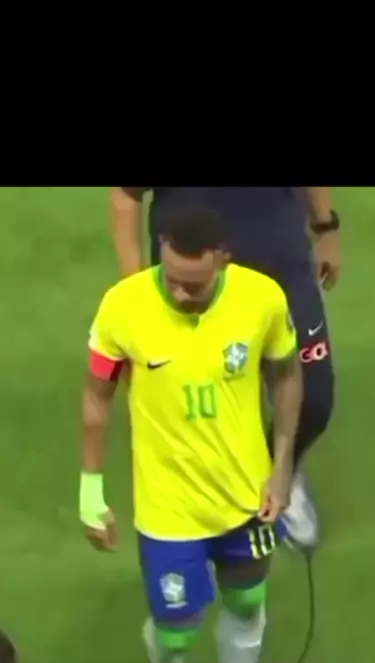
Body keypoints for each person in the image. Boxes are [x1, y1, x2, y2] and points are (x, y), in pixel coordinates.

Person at [81, 204, 303, 663]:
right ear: (161, 248)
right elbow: (97, 398)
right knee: (176, 636)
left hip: (246, 496)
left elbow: (286, 377)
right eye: (173, 280)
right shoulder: (123, 307)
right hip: (169, 510)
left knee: (247, 603)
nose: (180, 294)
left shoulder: (262, 299)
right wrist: (90, 490)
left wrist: (282, 469)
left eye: (194, 285)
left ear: (222, 258)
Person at [109, 186, 340, 551]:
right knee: (202, 403)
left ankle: (281, 473)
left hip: (283, 264)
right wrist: (137, 295)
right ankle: (211, 513)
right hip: (193, 276)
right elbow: (126, 196)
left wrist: (325, 228)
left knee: (314, 398)